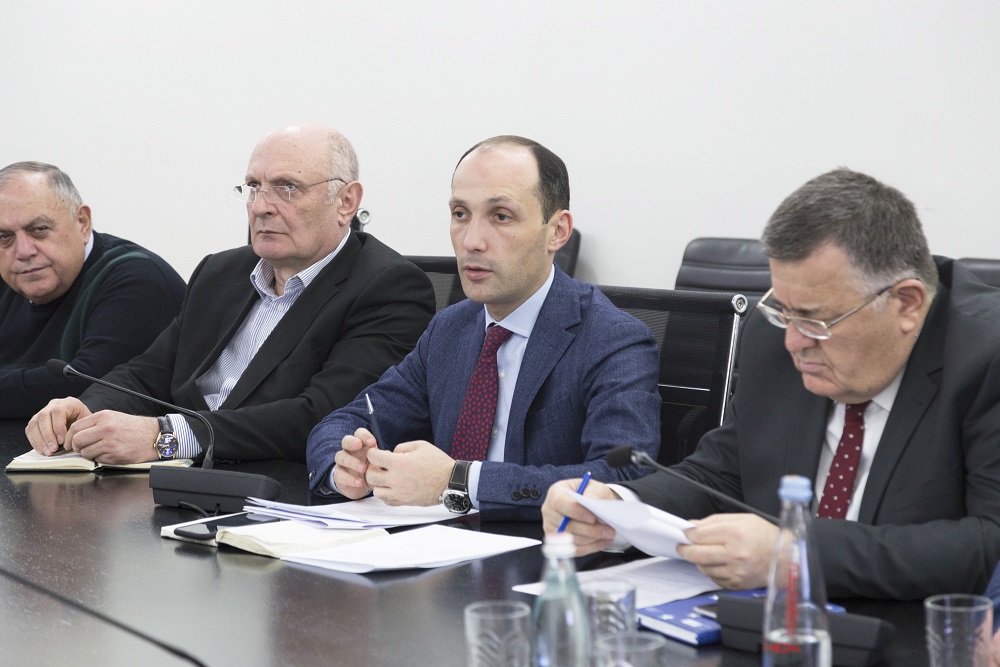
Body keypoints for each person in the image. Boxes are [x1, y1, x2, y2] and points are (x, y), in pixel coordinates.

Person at [543, 168, 1000, 600]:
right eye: (785, 311)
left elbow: (989, 543)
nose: (795, 342)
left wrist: (795, 555)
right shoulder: (772, 336)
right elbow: (723, 473)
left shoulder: (986, 358)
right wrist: (615, 508)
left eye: (817, 321)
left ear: (907, 304)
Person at [25, 124, 435, 465]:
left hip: (275, 493)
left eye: (287, 188)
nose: (260, 207)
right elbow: (148, 373)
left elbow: (324, 416)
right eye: (254, 187)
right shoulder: (219, 272)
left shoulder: (389, 287)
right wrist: (86, 409)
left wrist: (164, 437)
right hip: (177, 480)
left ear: (346, 202)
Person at [306, 135, 660, 520]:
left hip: (541, 549)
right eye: (460, 214)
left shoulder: (612, 339)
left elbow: (623, 479)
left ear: (557, 231)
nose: (472, 241)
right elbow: (346, 421)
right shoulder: (449, 329)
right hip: (436, 544)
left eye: (501, 216)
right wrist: (344, 467)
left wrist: (459, 480)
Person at [0, 162, 185, 418]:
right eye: (4, 237)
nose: (23, 251)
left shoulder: (137, 279)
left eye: (39, 230)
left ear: (82, 223)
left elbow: (88, 386)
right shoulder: (10, 277)